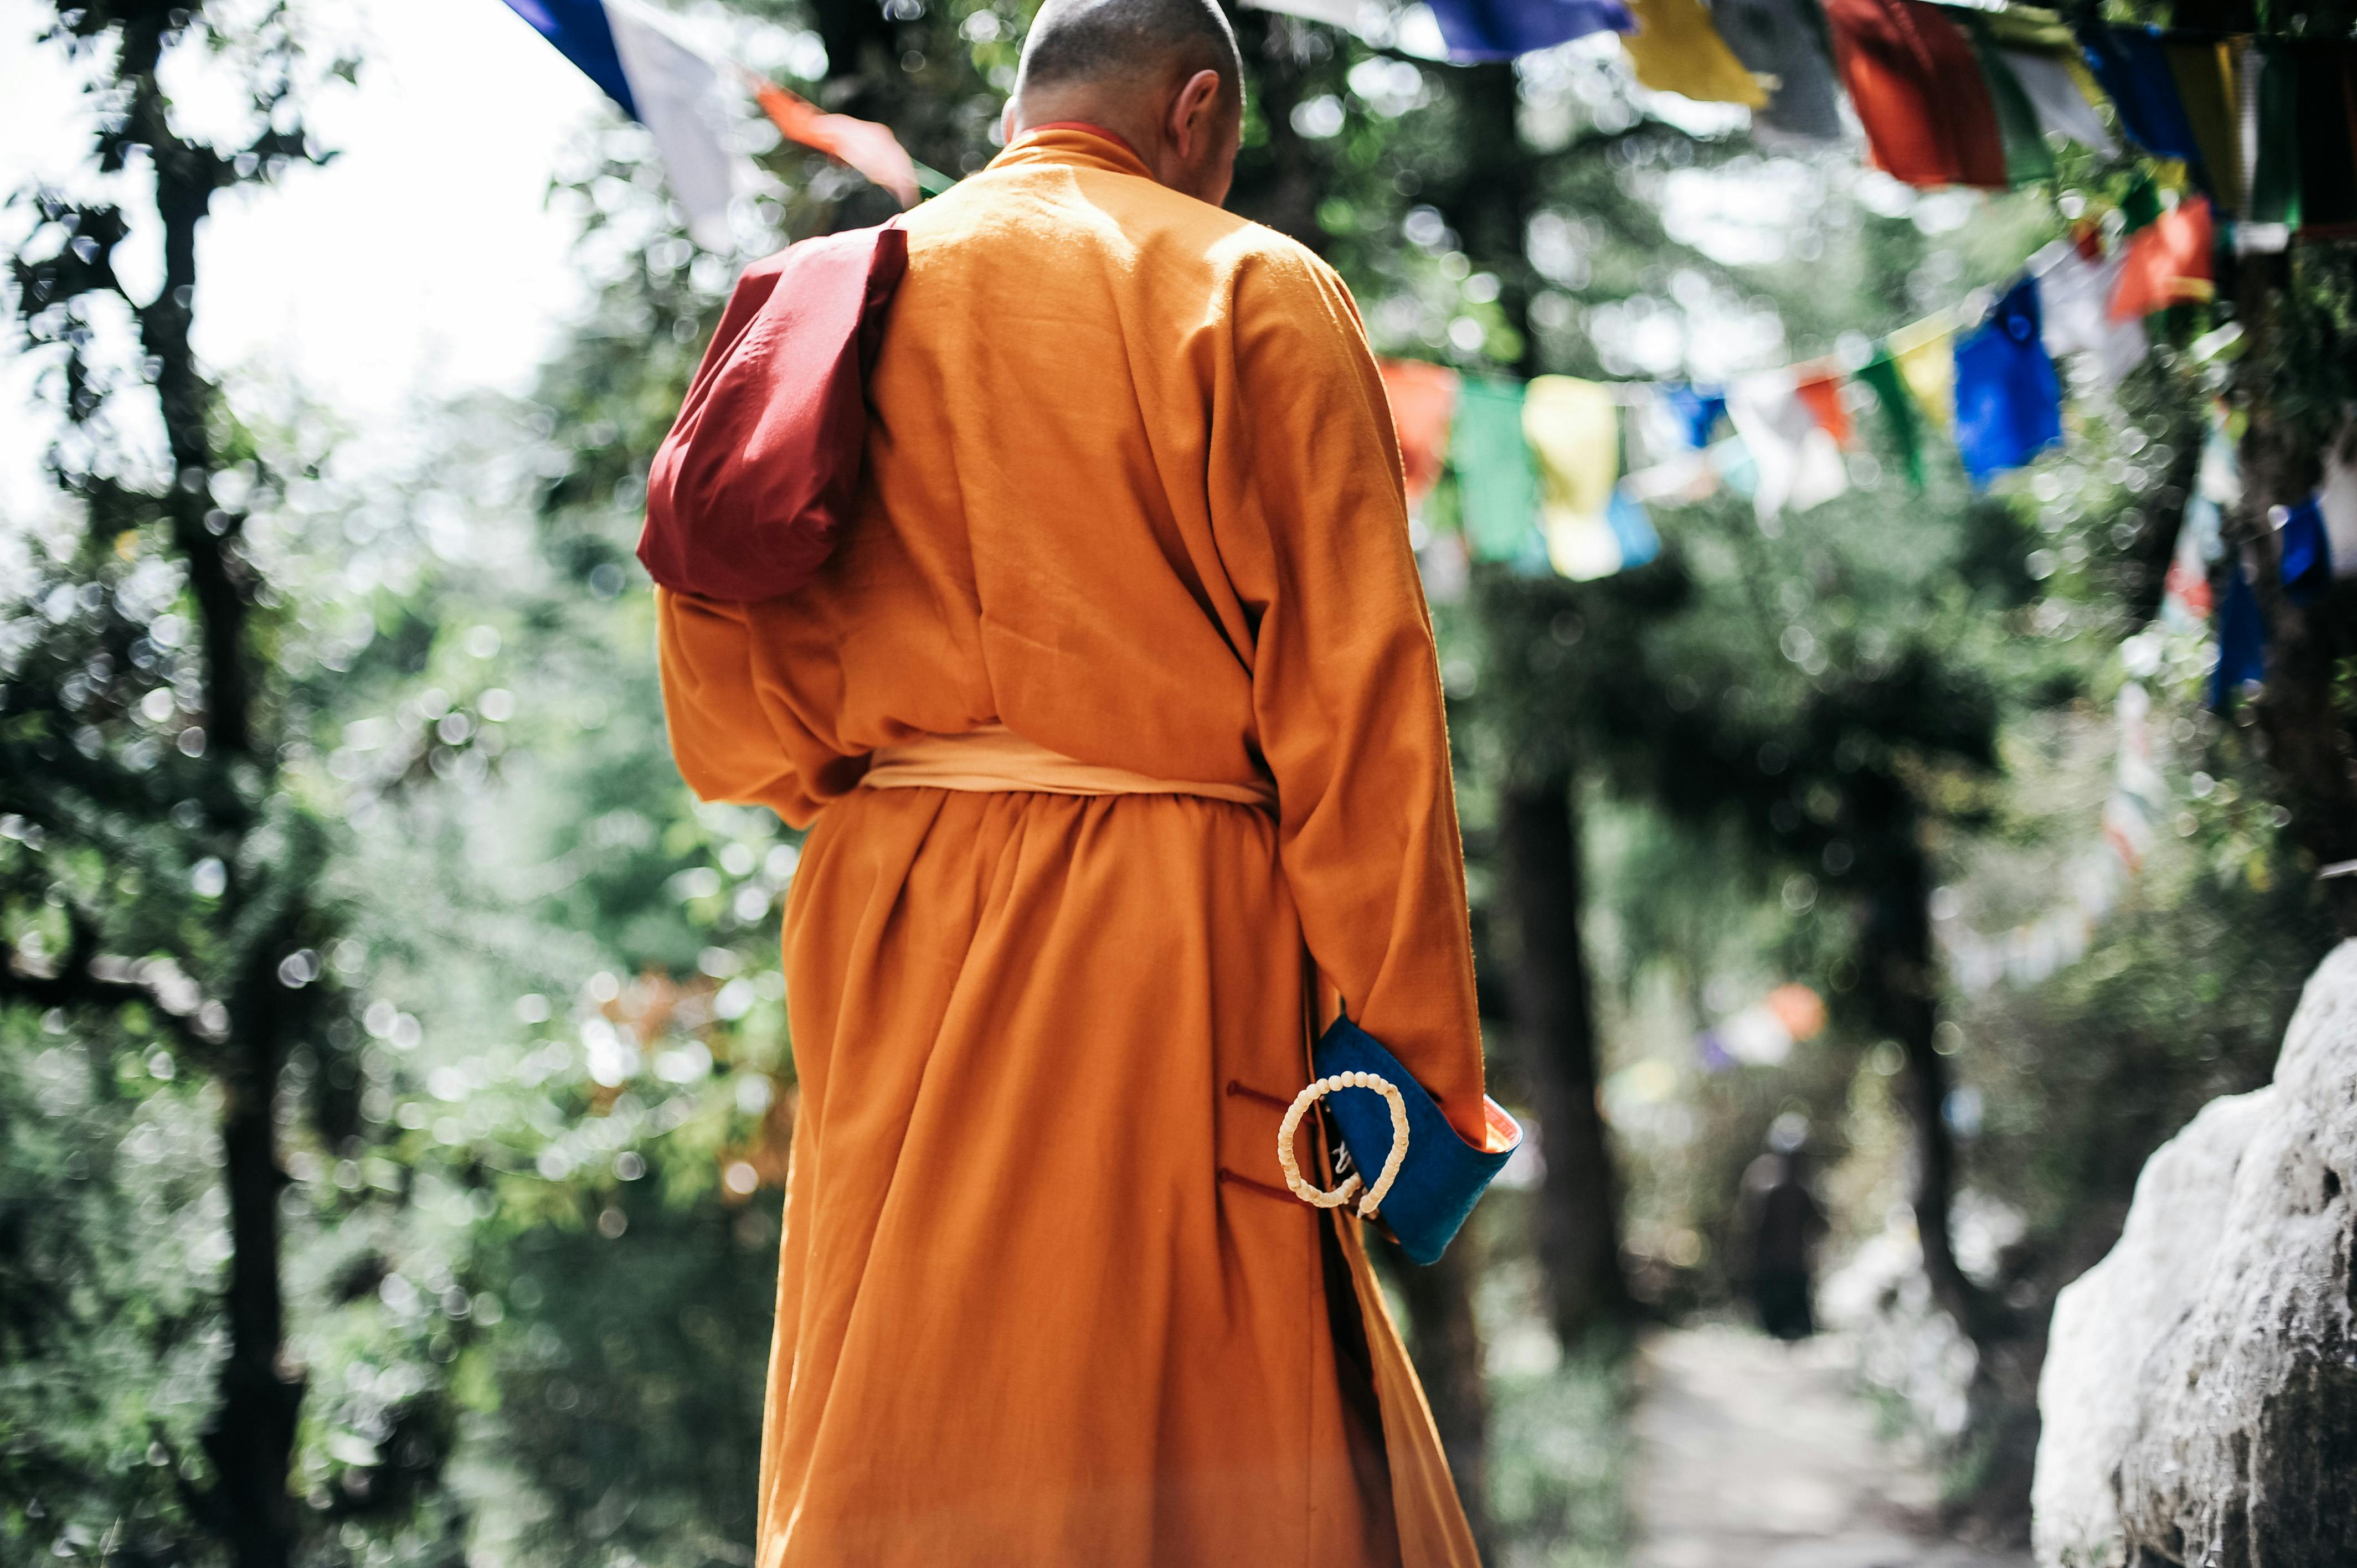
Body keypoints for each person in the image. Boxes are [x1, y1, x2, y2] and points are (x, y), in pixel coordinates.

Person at [654, 0, 1495, 1560]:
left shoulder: (834, 297)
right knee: (1203, 1404)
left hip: (890, 911)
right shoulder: (1250, 284)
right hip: (1164, 915)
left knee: (908, 1383)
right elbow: (1361, 720)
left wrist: (916, 775)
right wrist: (1413, 1095)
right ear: (1194, 112)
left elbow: (731, 720)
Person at [1734, 1114, 1829, 1342]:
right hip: (1771, 1272)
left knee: (1800, 1332)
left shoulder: (1802, 1185)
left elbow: (1819, 1224)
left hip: (1794, 1270)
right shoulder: (1762, 1178)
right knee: (1774, 1329)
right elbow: (1749, 1227)